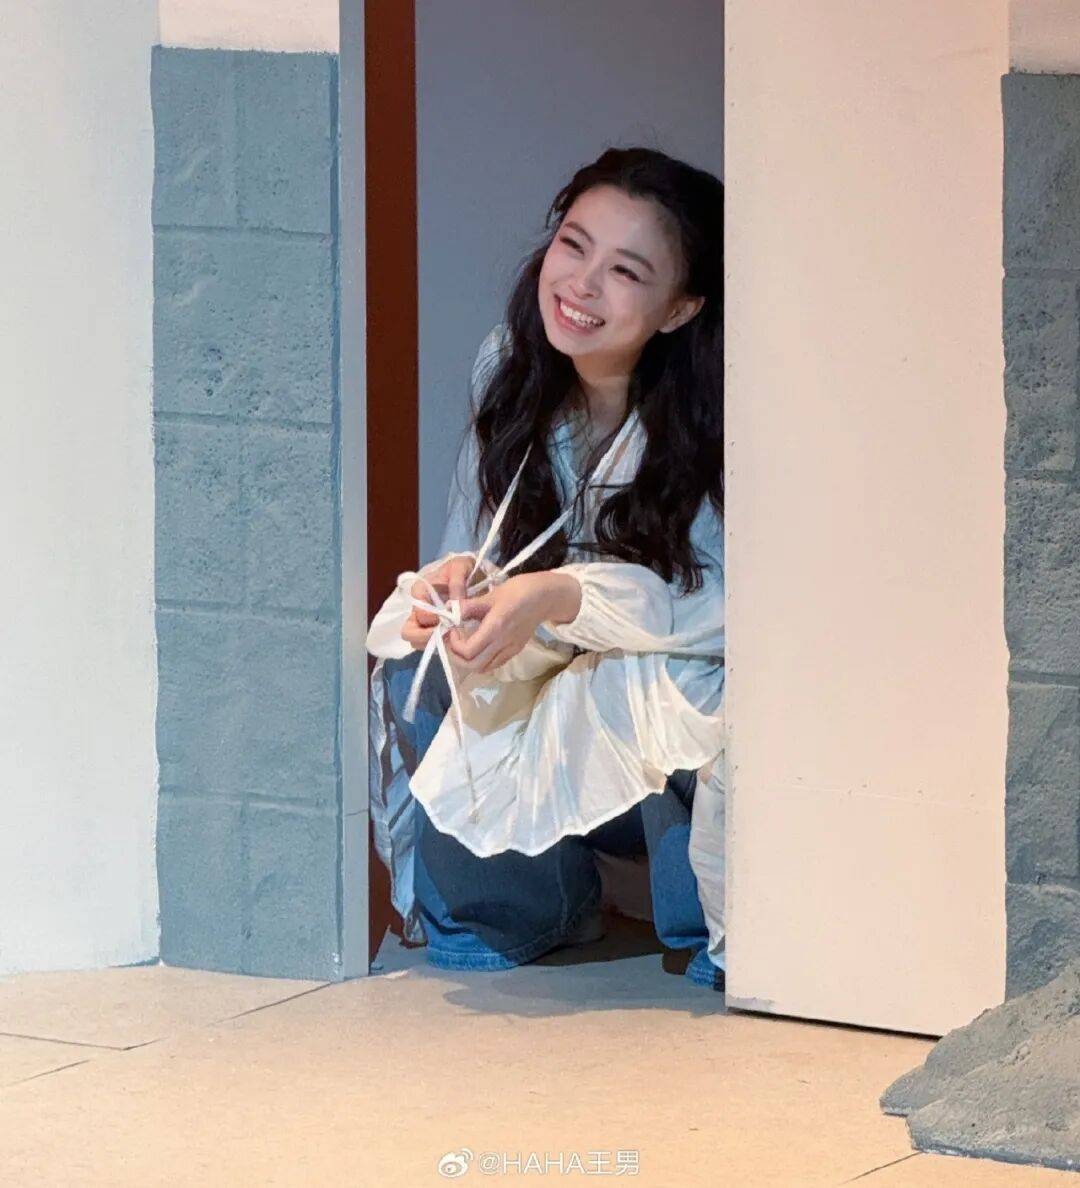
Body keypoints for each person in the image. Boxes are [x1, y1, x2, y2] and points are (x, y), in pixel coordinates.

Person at [366, 146, 727, 990]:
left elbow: (725, 608)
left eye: (626, 271)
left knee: (661, 679)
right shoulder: (511, 364)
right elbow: (475, 539)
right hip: (551, 692)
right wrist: (457, 585)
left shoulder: (716, 414)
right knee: (427, 653)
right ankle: (516, 917)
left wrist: (562, 597)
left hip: (664, 723)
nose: (582, 285)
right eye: (574, 244)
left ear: (680, 308)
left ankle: (698, 928)